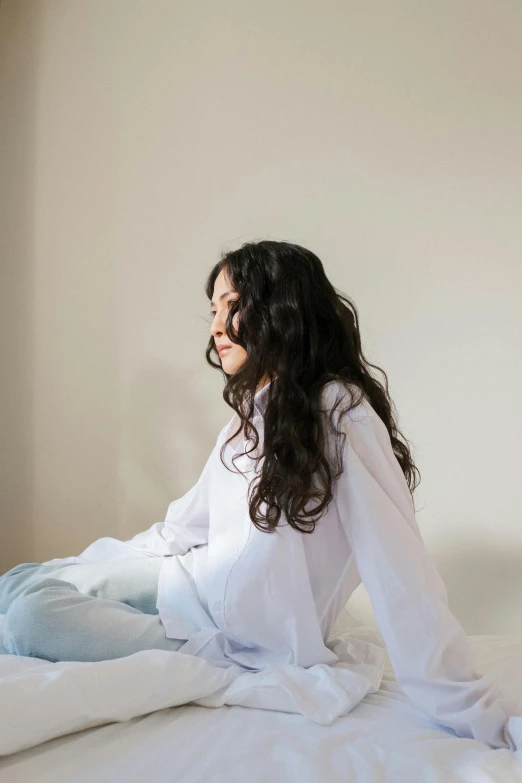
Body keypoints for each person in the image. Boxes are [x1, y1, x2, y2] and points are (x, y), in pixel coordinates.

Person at [0, 240, 518, 749]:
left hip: (242, 643)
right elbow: (186, 527)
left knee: (29, 617)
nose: (215, 327)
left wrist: (477, 713)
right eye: (212, 310)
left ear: (280, 309)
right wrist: (78, 569)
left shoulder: (340, 412)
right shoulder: (249, 415)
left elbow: (400, 573)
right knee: (20, 582)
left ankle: (206, 664)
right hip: (188, 584)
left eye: (232, 306)